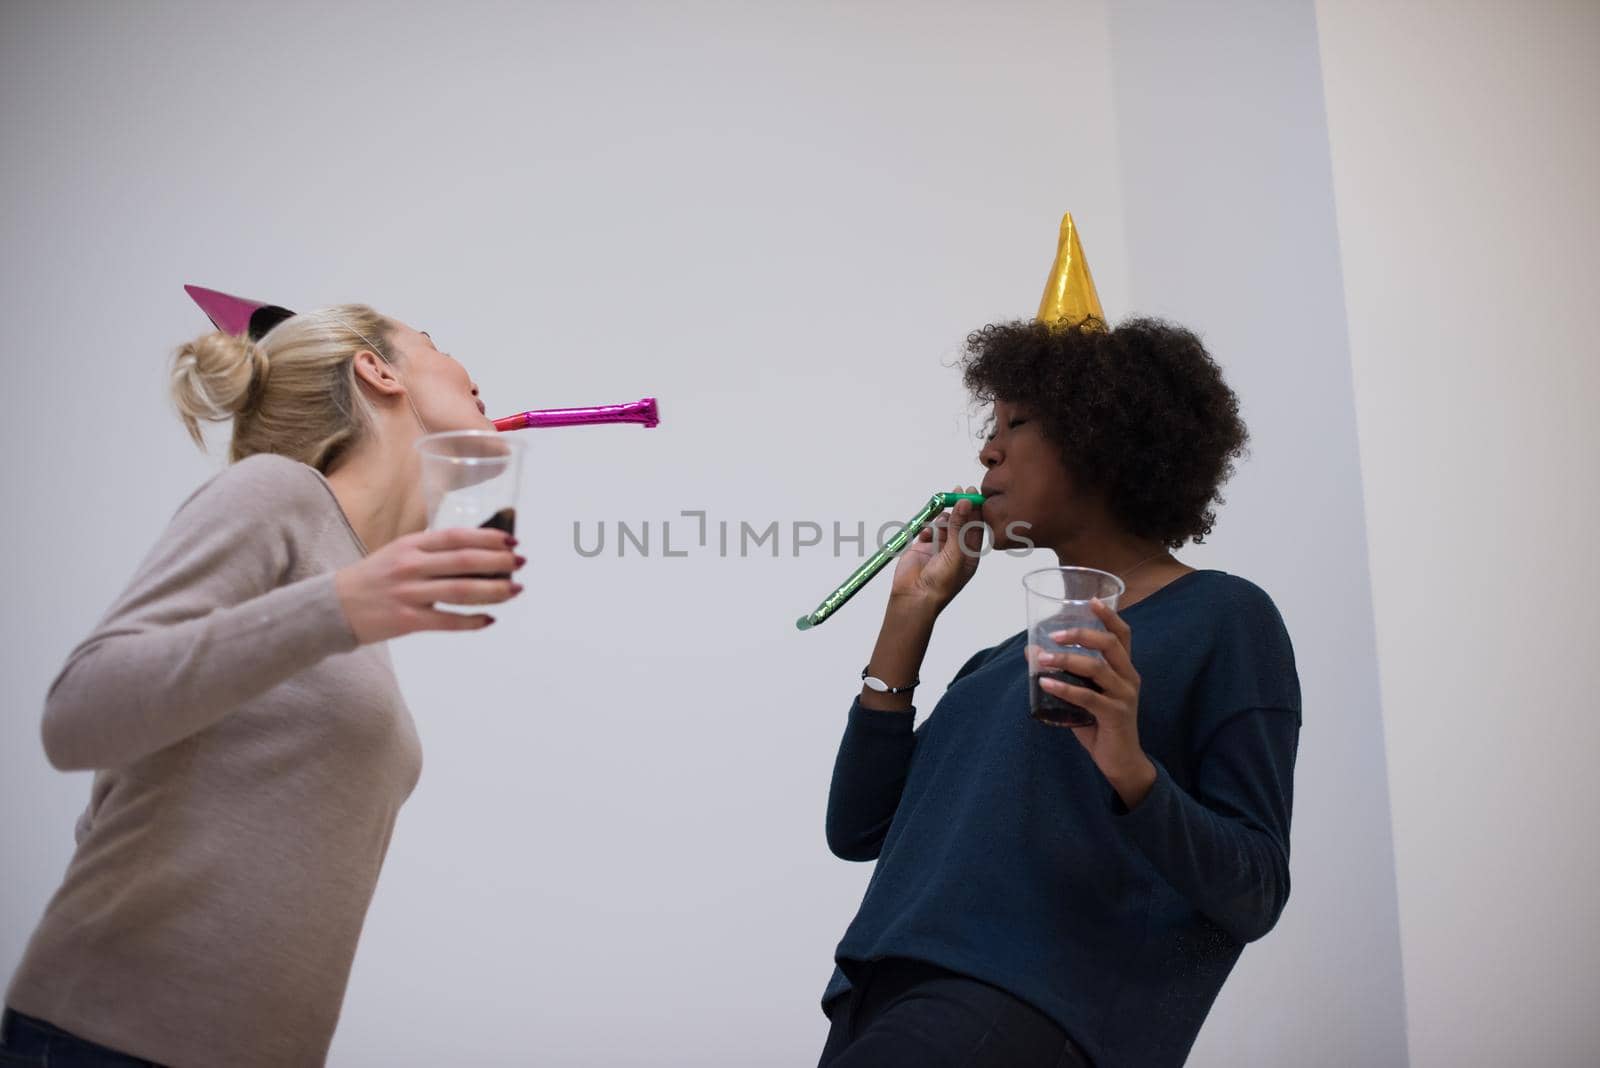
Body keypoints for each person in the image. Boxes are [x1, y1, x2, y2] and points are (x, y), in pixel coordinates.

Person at [1, 300, 525, 1067]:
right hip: (102, 1042)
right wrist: (338, 606)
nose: (471, 374)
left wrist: (347, 601)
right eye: (433, 345)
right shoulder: (277, 493)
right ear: (376, 370)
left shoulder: (352, 571)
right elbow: (76, 715)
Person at [816, 316, 1301, 1068]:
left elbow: (1256, 890)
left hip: (1027, 1009)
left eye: (1017, 423)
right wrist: (908, 617)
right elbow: (857, 829)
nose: (987, 449)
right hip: (876, 997)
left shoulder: (1222, 618)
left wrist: (1131, 771)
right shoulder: (995, 664)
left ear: (1099, 435)